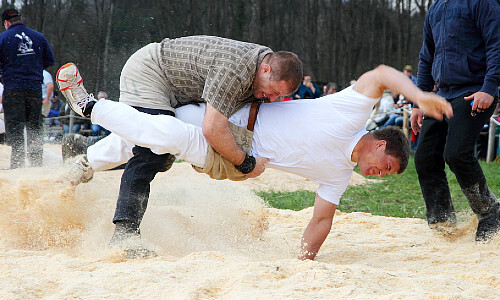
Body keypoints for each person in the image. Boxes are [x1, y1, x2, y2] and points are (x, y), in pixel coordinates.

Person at [58, 63, 453, 260]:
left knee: (160, 139)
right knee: (155, 136)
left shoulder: (338, 174)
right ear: (380, 145)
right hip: (225, 121)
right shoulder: (350, 113)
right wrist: (419, 97)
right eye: (384, 167)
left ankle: (85, 138)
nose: (378, 175)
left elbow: (321, 220)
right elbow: (383, 73)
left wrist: (303, 262)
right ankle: (87, 128)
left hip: (234, 157)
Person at [58, 36, 303, 256]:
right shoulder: (237, 70)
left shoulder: (264, 66)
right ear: (266, 69)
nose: (271, 99)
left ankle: (85, 151)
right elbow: (213, 128)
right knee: (152, 153)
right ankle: (125, 233)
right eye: (272, 92)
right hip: (151, 72)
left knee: (162, 155)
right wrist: (246, 163)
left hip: (175, 89)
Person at [410, 0, 500, 241]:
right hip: (442, 95)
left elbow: (496, 45)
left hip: (474, 91)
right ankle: (442, 224)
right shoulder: (436, 7)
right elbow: (426, 57)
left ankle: (491, 212)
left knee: (457, 154)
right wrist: (420, 100)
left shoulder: (484, 3)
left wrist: (489, 88)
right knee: (425, 157)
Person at [0, 8, 54, 168]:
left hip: (13, 88)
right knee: (34, 126)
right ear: (21, 19)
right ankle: (37, 163)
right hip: (34, 88)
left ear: (6, 23)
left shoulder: (3, 38)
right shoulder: (38, 37)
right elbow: (49, 60)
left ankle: (17, 165)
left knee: (15, 128)